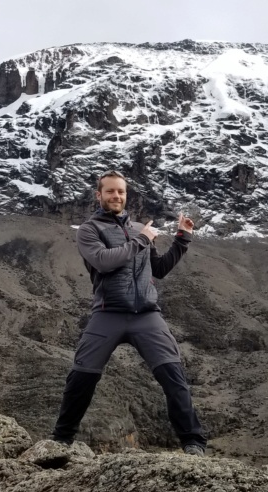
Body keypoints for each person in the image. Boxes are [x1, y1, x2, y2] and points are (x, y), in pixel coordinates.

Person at [51, 170, 207, 456]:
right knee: (82, 376)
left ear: (126, 195)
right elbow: (103, 261)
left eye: (120, 192)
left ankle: (193, 442)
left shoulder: (139, 228)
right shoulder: (89, 230)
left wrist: (182, 238)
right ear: (98, 195)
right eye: (110, 192)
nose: (116, 196)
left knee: (173, 376)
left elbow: (157, 269)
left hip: (146, 314)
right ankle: (61, 441)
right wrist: (143, 240)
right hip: (107, 312)